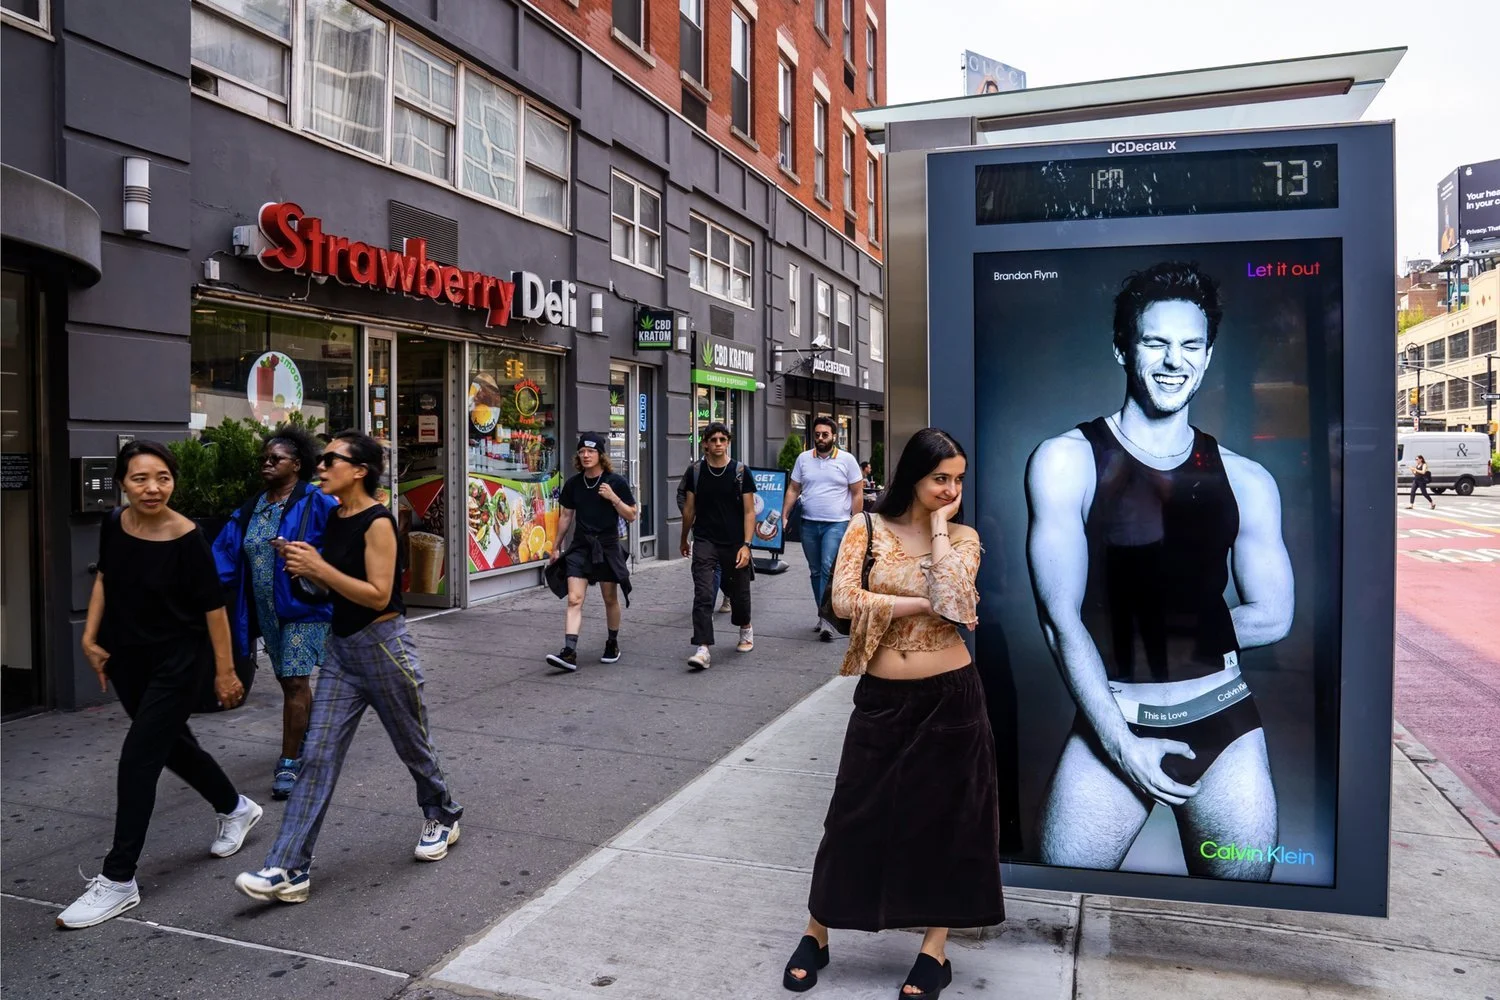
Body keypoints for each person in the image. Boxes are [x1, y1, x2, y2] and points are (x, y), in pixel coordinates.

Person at [1024, 262, 1294, 880]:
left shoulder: (1247, 480)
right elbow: (1059, 621)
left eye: (1190, 345)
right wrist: (1124, 748)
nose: (1174, 362)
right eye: (1155, 342)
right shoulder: (1066, 461)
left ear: (1208, 355)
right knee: (1058, 904)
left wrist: (1166, 628)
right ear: (1122, 347)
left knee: (1237, 914)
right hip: (1117, 719)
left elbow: (1274, 615)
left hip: (1221, 717)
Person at [783, 428, 999, 998]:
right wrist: (917, 602)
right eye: (939, 479)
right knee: (852, 816)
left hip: (951, 697)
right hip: (882, 698)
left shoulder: (964, 538)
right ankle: (817, 932)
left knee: (948, 823)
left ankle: (935, 949)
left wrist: (937, 530)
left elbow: (957, 604)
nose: (950, 490)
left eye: (958, 480)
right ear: (915, 476)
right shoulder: (868, 528)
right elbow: (842, 600)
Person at [234, 431, 462, 904]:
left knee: (413, 745)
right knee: (315, 756)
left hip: (383, 647)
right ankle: (288, 867)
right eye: (321, 459)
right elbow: (333, 587)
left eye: (331, 459)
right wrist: (302, 569)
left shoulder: (378, 522)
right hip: (342, 649)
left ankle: (442, 813)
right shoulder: (334, 515)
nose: (321, 465)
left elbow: (378, 594)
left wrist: (320, 570)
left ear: (359, 470)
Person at [60, 441, 261, 929]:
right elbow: (106, 577)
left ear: (174, 481)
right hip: (128, 657)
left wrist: (225, 670)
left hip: (178, 660)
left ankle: (118, 879)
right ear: (122, 484)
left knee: (139, 757)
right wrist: (89, 637)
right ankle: (236, 807)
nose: (152, 488)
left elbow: (213, 609)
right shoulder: (115, 523)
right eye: (139, 479)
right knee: (170, 744)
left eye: (163, 478)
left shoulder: (187, 537)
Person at [213, 426, 337, 800]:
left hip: (306, 607)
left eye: (275, 459)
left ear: (297, 465)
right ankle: (310, 739)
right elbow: (224, 556)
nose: (266, 464)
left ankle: (289, 760)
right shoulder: (252, 509)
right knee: (289, 681)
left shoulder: (317, 501)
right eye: (263, 459)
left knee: (297, 681)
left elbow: (349, 540)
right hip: (268, 613)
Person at [544, 434, 638, 671]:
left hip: (607, 546)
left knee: (609, 598)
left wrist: (613, 498)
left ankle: (612, 643)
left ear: (600, 456)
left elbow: (632, 515)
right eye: (582, 452)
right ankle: (569, 652)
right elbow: (566, 516)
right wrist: (555, 547)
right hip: (581, 546)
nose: (585, 455)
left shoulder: (615, 482)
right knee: (575, 599)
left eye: (591, 452)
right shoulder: (574, 484)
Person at [678, 422, 757, 669]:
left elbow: (749, 511)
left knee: (739, 593)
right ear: (705, 444)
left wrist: (746, 544)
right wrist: (684, 538)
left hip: (734, 542)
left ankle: (745, 627)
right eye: (713, 440)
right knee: (703, 593)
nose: (718, 444)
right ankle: (702, 647)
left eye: (723, 439)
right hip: (705, 540)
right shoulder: (696, 472)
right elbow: (689, 508)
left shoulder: (740, 472)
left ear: (728, 442)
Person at [784, 417, 864, 642]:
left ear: (834, 436)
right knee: (815, 570)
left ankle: (828, 620)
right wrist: (784, 514)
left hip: (836, 523)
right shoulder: (803, 459)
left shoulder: (847, 460)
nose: (820, 438)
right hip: (809, 523)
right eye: (817, 434)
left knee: (829, 567)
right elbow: (793, 488)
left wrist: (855, 521)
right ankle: (823, 613)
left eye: (825, 434)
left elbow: (857, 492)